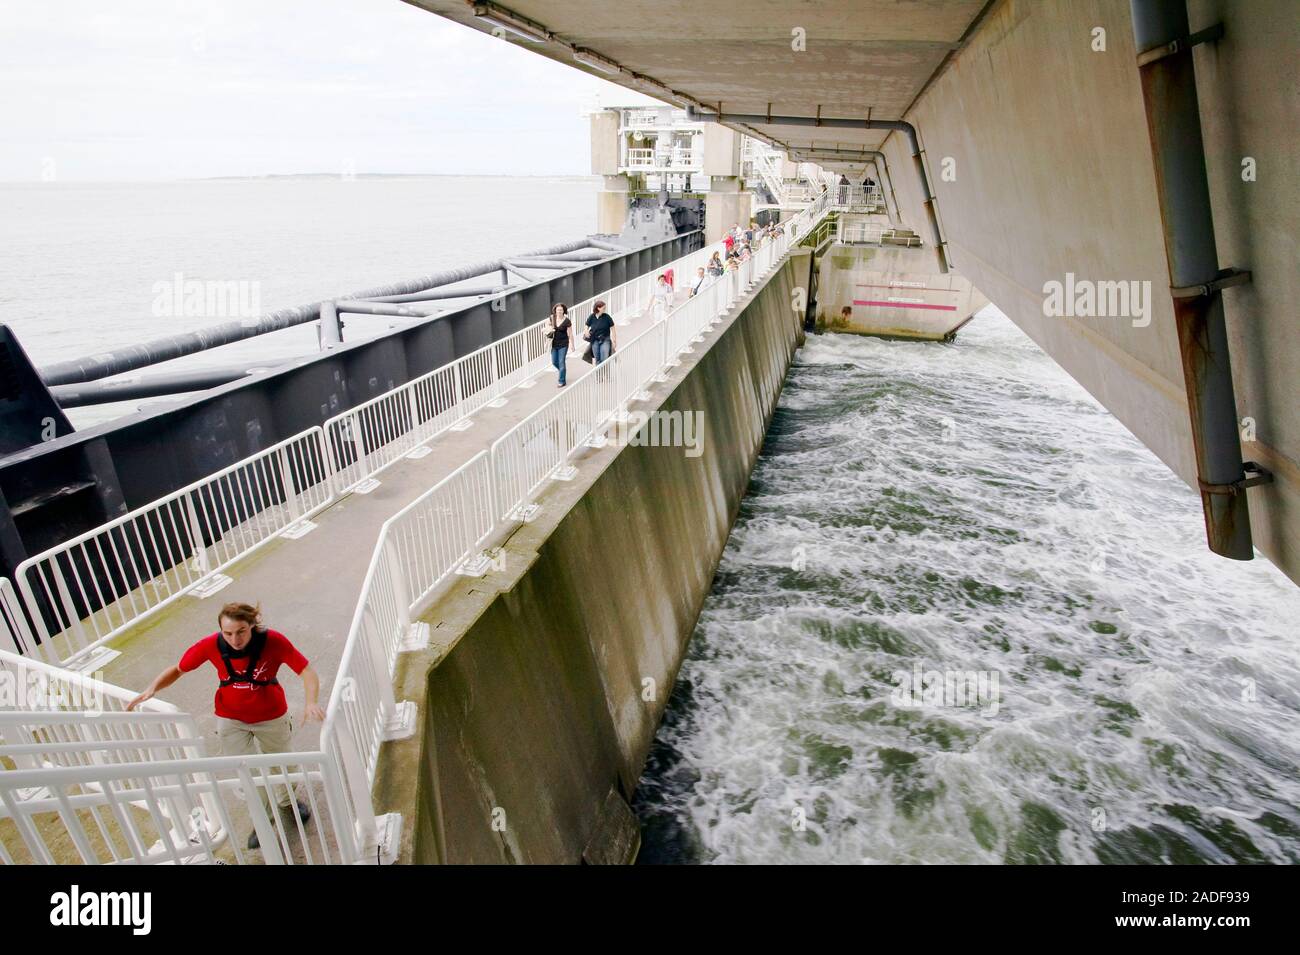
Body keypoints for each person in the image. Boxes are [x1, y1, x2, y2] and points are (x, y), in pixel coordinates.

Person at [129, 602, 323, 850]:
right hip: (231, 719)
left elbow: (305, 670)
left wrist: (311, 702)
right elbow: (179, 669)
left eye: (241, 631)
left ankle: (287, 802)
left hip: (272, 715)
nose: (235, 639)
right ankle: (263, 821)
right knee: (247, 772)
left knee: (281, 764)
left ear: (252, 625)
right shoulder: (212, 644)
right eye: (228, 633)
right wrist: (152, 689)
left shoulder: (273, 641)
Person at [546, 303, 572, 387]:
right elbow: (547, 326)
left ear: (564, 310)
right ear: (555, 310)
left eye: (561, 310)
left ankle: (561, 381)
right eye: (558, 310)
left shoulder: (567, 321)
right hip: (554, 344)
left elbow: (570, 333)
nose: (559, 311)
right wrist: (549, 328)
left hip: (564, 344)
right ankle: (562, 371)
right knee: (554, 362)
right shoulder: (552, 318)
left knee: (561, 362)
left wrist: (572, 345)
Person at [585, 300, 616, 364]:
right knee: (597, 359)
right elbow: (586, 325)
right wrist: (586, 331)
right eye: (603, 308)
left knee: (604, 358)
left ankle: (605, 372)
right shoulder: (592, 316)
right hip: (594, 340)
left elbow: (613, 329)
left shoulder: (607, 317)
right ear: (598, 308)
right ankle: (599, 373)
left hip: (605, 339)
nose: (605, 309)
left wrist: (614, 341)